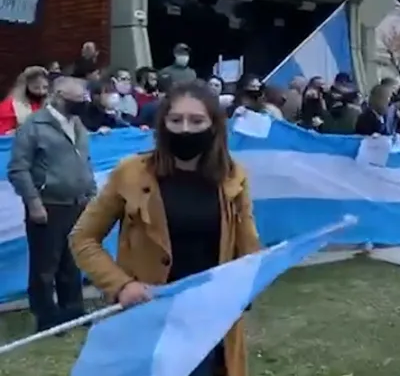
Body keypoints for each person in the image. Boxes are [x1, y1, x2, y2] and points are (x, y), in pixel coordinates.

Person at [70, 80, 261, 376]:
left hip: (210, 322)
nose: (185, 129)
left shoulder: (233, 177)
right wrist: (121, 285)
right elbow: (83, 238)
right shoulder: (130, 173)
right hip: (148, 318)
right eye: (176, 120)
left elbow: (247, 245)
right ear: (162, 123)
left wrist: (247, 285)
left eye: (196, 121)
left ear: (214, 125)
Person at [7, 76, 95, 332]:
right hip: (48, 204)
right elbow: (18, 169)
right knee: (45, 266)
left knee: (72, 260)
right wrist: (34, 202)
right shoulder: (33, 126)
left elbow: (84, 161)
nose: (81, 104)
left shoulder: (77, 123)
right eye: (76, 99)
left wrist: (91, 191)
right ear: (58, 95)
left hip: (78, 202)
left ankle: (72, 311)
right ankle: (46, 317)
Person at [0, 66, 50, 134]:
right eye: (36, 88)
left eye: (45, 87)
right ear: (25, 87)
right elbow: (4, 133)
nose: (41, 92)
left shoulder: (50, 102)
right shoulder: (9, 106)